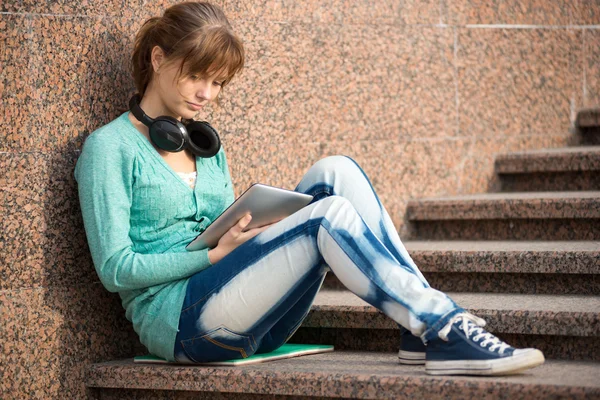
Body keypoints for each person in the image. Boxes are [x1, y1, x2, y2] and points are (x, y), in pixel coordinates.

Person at [74, 1, 545, 376]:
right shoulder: (109, 148)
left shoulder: (204, 144)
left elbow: (223, 230)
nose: (206, 94)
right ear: (158, 59)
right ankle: (443, 325)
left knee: (335, 170)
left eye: (216, 82)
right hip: (184, 327)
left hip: (249, 310)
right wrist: (213, 257)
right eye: (196, 76)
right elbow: (116, 270)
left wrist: (259, 228)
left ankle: (418, 326)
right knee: (327, 215)